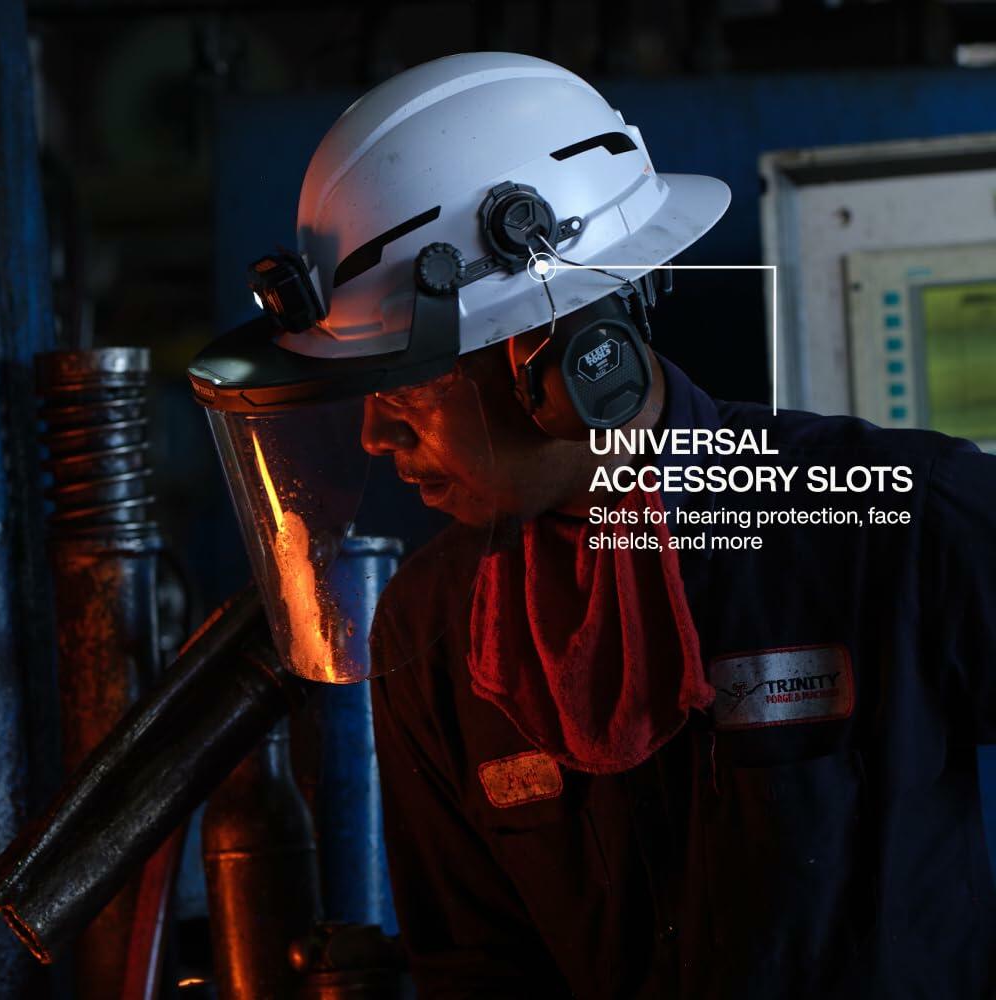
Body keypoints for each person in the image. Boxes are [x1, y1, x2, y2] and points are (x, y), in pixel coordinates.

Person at [189, 52, 996, 999]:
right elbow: (474, 969)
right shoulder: (436, 629)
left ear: (569, 354)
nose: (372, 436)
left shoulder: (887, 519)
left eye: (406, 388)